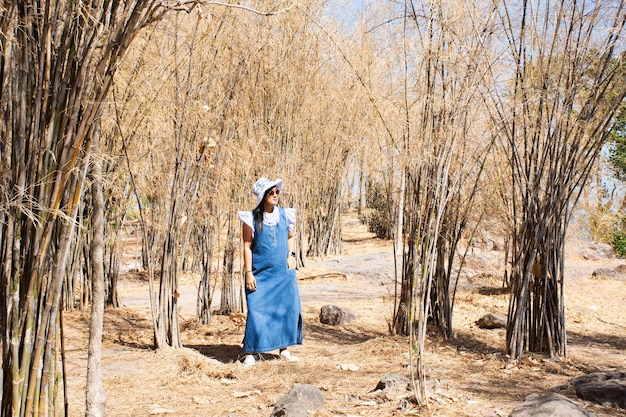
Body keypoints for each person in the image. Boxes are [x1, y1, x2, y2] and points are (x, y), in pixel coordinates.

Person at [237, 178, 303, 366]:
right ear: (263, 197)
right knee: (257, 310)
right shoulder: (250, 219)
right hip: (260, 273)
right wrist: (248, 272)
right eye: (271, 192)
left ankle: (284, 349)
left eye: (277, 192)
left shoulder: (285, 215)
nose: (275, 195)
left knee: (284, 309)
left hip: (282, 273)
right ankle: (253, 351)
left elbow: (291, 236)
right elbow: (247, 246)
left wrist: (291, 255)